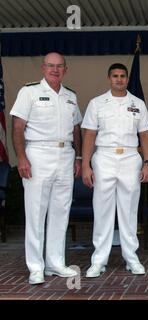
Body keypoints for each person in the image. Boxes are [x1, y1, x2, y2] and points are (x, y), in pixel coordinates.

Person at [10, 52, 82, 285]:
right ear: (43, 68)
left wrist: (78, 157)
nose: (55, 70)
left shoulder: (70, 95)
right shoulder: (29, 91)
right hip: (38, 154)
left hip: (65, 155)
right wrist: (21, 158)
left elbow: (76, 128)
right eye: (51, 66)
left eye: (60, 66)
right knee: (36, 212)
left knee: (61, 211)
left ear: (66, 70)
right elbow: (18, 127)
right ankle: (35, 266)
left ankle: (55, 262)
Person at [81, 63, 148, 277]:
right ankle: (98, 260)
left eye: (123, 76)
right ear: (108, 78)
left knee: (129, 209)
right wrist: (85, 165)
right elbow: (89, 136)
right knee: (102, 210)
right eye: (115, 76)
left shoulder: (137, 103)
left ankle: (131, 257)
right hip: (104, 157)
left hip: (131, 157)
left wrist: (147, 163)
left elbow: (146, 135)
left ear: (127, 79)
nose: (119, 79)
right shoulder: (97, 103)